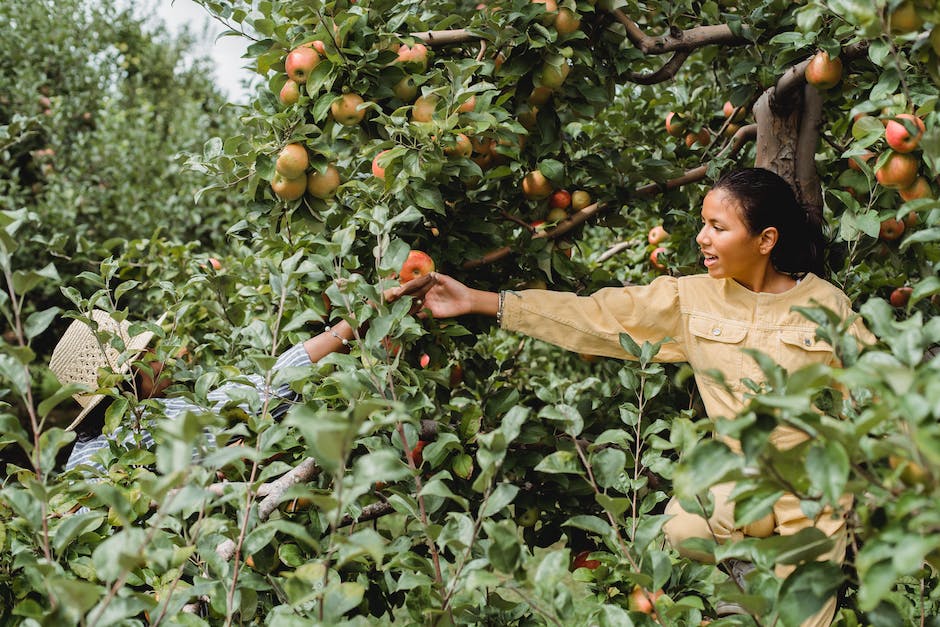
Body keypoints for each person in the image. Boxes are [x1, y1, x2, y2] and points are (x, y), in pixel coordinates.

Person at [414, 168, 874, 626]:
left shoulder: (825, 307)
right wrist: (482, 300)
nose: (702, 238)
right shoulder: (691, 299)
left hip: (813, 492)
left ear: (765, 239)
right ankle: (747, 573)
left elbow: (876, 392)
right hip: (737, 476)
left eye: (717, 227)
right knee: (684, 523)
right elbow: (595, 316)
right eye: (702, 224)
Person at [52, 277, 431, 475]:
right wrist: (352, 324)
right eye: (150, 353)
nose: (161, 356)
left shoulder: (78, 463)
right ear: (131, 375)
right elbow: (263, 392)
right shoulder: (157, 424)